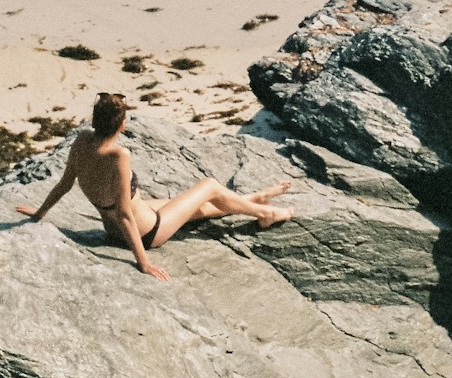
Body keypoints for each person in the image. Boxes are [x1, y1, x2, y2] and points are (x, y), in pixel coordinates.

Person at [15, 91, 293, 281]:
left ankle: (253, 199)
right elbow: (125, 213)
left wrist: (40, 214)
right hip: (148, 232)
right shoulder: (118, 155)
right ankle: (266, 214)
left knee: (200, 208)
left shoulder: (81, 141)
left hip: (118, 228)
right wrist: (143, 262)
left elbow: (65, 184)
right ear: (122, 126)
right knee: (208, 186)